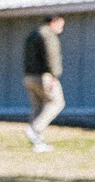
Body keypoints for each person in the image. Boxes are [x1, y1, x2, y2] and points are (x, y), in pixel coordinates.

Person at [23, 15, 66, 152]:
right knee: (57, 102)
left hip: (29, 76)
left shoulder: (32, 35)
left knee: (38, 109)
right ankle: (34, 129)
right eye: (60, 25)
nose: (62, 29)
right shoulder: (48, 35)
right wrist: (54, 75)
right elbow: (52, 56)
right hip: (44, 77)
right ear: (53, 22)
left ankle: (38, 143)